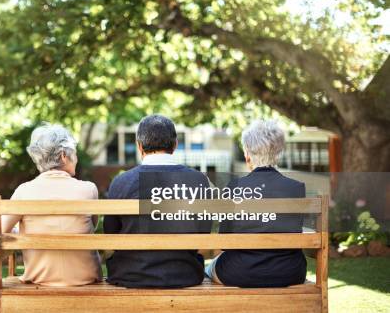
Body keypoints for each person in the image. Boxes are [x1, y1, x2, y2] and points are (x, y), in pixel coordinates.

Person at [105, 114, 212, 288]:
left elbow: (111, 235)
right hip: (184, 273)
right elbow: (203, 233)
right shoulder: (198, 180)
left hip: (130, 274)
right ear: (175, 145)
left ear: (139, 146)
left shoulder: (121, 182)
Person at [205, 120, 307, 287]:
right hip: (289, 271)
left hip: (240, 271)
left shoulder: (234, 188)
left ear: (247, 156)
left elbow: (224, 241)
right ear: (278, 153)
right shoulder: (296, 188)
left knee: (210, 267)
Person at [1, 123, 102, 286]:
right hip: (86, 279)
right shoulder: (89, 190)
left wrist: (19, 231)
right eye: (74, 153)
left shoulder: (24, 192)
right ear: (63, 155)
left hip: (41, 280)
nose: (75, 159)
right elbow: (93, 225)